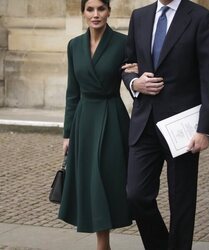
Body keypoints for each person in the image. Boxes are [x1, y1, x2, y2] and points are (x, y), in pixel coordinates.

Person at [122, 0, 209, 249]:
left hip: (183, 127)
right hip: (144, 122)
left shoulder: (201, 18)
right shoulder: (140, 16)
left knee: (181, 202)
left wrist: (204, 129)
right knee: (135, 195)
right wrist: (135, 83)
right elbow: (127, 65)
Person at [58, 1, 137, 249]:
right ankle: (103, 243)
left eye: (101, 9)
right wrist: (67, 133)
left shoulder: (123, 43)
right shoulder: (74, 46)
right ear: (83, 12)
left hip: (112, 117)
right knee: (89, 181)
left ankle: (104, 243)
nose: (95, 15)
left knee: (108, 178)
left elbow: (132, 78)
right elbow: (72, 92)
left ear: (109, 12)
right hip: (84, 120)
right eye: (90, 9)